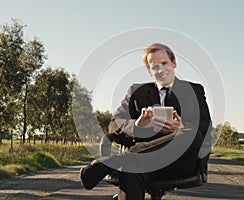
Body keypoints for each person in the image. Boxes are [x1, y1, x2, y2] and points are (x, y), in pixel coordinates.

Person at [80, 43, 212, 200]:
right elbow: (114, 123)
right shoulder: (136, 92)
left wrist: (181, 126)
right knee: (131, 168)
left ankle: (116, 160)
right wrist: (137, 125)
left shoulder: (194, 90)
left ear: (174, 63)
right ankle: (126, 159)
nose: (161, 70)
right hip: (144, 164)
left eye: (164, 63)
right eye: (155, 67)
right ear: (149, 71)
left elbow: (205, 125)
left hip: (180, 163)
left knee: (191, 133)